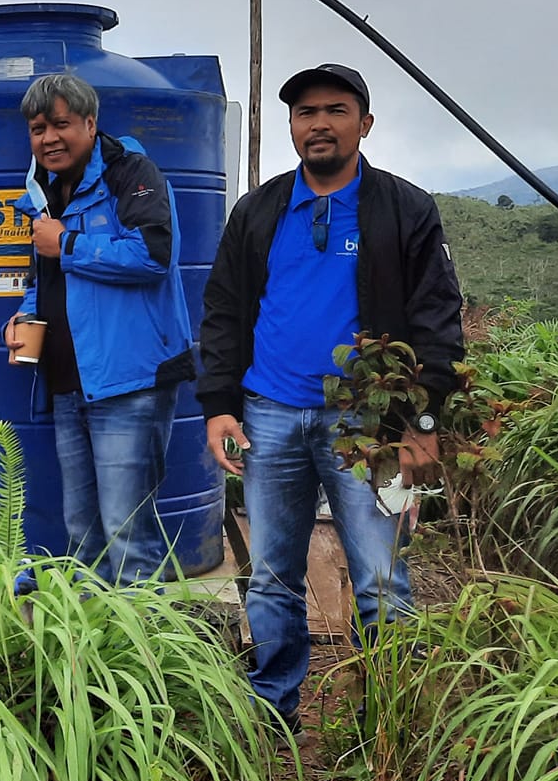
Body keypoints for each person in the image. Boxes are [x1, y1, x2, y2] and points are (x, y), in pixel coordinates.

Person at [197, 64, 464, 729]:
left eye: (335, 110)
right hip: (269, 417)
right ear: (293, 126)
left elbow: (437, 320)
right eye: (305, 112)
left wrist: (422, 422)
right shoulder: (258, 211)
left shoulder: (403, 209)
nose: (318, 123)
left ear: (364, 124)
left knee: (381, 579)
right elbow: (224, 313)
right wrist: (219, 405)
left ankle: (389, 726)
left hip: (371, 425)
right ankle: (273, 709)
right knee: (273, 575)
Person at [2, 74, 194, 583]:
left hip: (128, 382)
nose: (49, 139)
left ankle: (145, 650)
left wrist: (66, 243)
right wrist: (25, 314)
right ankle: (93, 649)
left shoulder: (130, 173)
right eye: (38, 128)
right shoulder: (43, 189)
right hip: (69, 383)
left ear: (90, 124)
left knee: (128, 531)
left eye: (61, 124)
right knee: (82, 531)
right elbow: (43, 273)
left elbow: (153, 256)